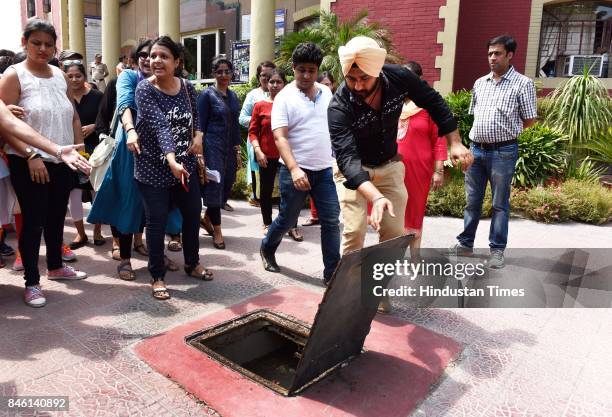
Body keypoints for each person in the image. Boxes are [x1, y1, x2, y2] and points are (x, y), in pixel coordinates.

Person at [328, 36, 472, 312]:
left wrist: (454, 141)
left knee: (394, 235)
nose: (358, 86)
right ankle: (346, 295)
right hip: (354, 171)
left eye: (364, 79)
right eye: (351, 79)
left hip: (390, 165)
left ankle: (378, 291)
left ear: (379, 71)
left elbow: (434, 103)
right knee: (355, 231)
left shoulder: (399, 78)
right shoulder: (339, 106)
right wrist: (376, 196)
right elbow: (347, 159)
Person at [0, 18, 89, 307]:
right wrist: (31, 155)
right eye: (36, 42)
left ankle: (55, 266)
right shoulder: (13, 76)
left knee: (55, 217)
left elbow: (73, 115)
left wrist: (79, 151)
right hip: (28, 161)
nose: (43, 48)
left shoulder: (59, 74)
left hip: (62, 158)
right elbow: (6, 126)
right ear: (24, 42)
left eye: (49, 44)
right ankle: (32, 282)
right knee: (33, 221)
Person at [88, 40, 181, 280]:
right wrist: (130, 130)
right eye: (143, 54)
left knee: (157, 208)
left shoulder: (168, 82)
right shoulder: (128, 77)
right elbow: (125, 105)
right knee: (126, 204)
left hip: (160, 152)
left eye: (156, 55)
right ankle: (126, 259)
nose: (148, 59)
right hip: (130, 151)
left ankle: (157, 255)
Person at [135, 36, 212, 300]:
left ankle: (192, 262)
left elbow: (197, 116)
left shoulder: (188, 87)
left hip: (186, 167)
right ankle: (157, 275)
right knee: (156, 224)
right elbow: (160, 126)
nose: (155, 60)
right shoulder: (145, 90)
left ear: (177, 62)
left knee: (192, 216)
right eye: (152, 56)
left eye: (163, 56)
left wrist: (199, 136)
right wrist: (170, 158)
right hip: (153, 170)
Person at [451, 35, 536, 269]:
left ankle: (497, 250)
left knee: (500, 203)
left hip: (503, 152)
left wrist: (508, 132)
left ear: (509, 55)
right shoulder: (480, 83)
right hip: (476, 151)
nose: (492, 58)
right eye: (490, 53)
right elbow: (475, 115)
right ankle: (465, 244)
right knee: (472, 201)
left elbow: (529, 120)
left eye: (497, 53)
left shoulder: (523, 83)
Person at [260, 42, 340, 285]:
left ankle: (332, 273)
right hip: (294, 171)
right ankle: (267, 247)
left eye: (312, 70)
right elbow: (280, 137)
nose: (306, 75)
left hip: (323, 170)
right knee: (287, 219)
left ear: (317, 70)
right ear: (293, 68)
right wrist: (294, 168)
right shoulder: (284, 98)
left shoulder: (326, 93)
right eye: (301, 69)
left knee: (330, 221)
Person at [396, 61, 447, 257]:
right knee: (394, 214)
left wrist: (438, 170)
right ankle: (393, 256)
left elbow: (439, 141)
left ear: (418, 80)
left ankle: (415, 258)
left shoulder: (430, 106)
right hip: (394, 169)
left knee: (414, 213)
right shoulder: (394, 103)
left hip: (419, 170)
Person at [198, 55, 241, 250]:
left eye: (227, 71)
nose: (224, 75)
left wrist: (237, 149)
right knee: (215, 187)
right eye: (219, 71)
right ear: (213, 74)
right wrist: (200, 153)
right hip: (212, 146)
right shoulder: (207, 95)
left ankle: (206, 218)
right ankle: (217, 231)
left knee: (227, 184)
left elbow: (235, 125)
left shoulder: (233, 96)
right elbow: (199, 125)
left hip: (229, 149)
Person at [63, 61, 105, 249]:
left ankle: (97, 231)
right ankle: (80, 234)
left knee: (97, 191)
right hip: (71, 150)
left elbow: (107, 117)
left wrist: (94, 126)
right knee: (74, 193)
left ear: (85, 77)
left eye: (78, 76)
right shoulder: (62, 97)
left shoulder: (97, 96)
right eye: (70, 76)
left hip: (96, 149)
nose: (74, 79)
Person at [248, 69, 286, 234]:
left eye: (279, 82)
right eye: (272, 82)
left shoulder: (289, 104)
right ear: (266, 84)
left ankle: (290, 224)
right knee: (266, 190)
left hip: (286, 156)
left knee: (289, 192)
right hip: (265, 155)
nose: (275, 85)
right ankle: (267, 223)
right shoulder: (260, 106)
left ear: (284, 84)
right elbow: (252, 131)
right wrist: (258, 151)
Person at [302, 71, 337, 228]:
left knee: (329, 183)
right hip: (316, 149)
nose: (325, 87)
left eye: (328, 84)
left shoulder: (337, 100)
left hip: (333, 145)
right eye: (322, 84)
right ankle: (315, 215)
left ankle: (327, 215)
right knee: (313, 183)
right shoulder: (311, 99)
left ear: (333, 85)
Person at [239, 60, 275, 210]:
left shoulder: (283, 93)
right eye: (262, 75)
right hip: (258, 143)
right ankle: (260, 203)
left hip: (278, 144)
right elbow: (242, 118)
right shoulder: (253, 95)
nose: (266, 78)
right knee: (260, 177)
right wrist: (259, 120)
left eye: (270, 75)